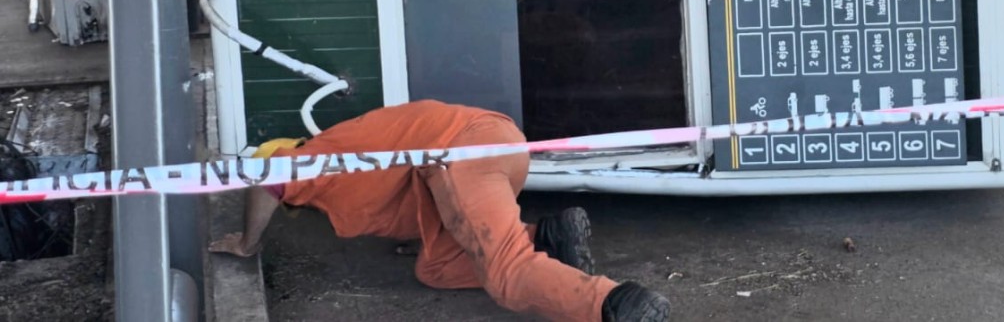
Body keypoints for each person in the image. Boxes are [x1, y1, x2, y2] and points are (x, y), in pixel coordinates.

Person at [209, 100, 671, 322]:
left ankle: (614, 305)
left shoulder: (318, 160)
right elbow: (413, 201)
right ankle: (547, 236)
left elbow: (263, 174)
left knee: (505, 276)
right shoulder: (348, 167)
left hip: (458, 152)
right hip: (488, 146)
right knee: (436, 268)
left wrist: (249, 244)